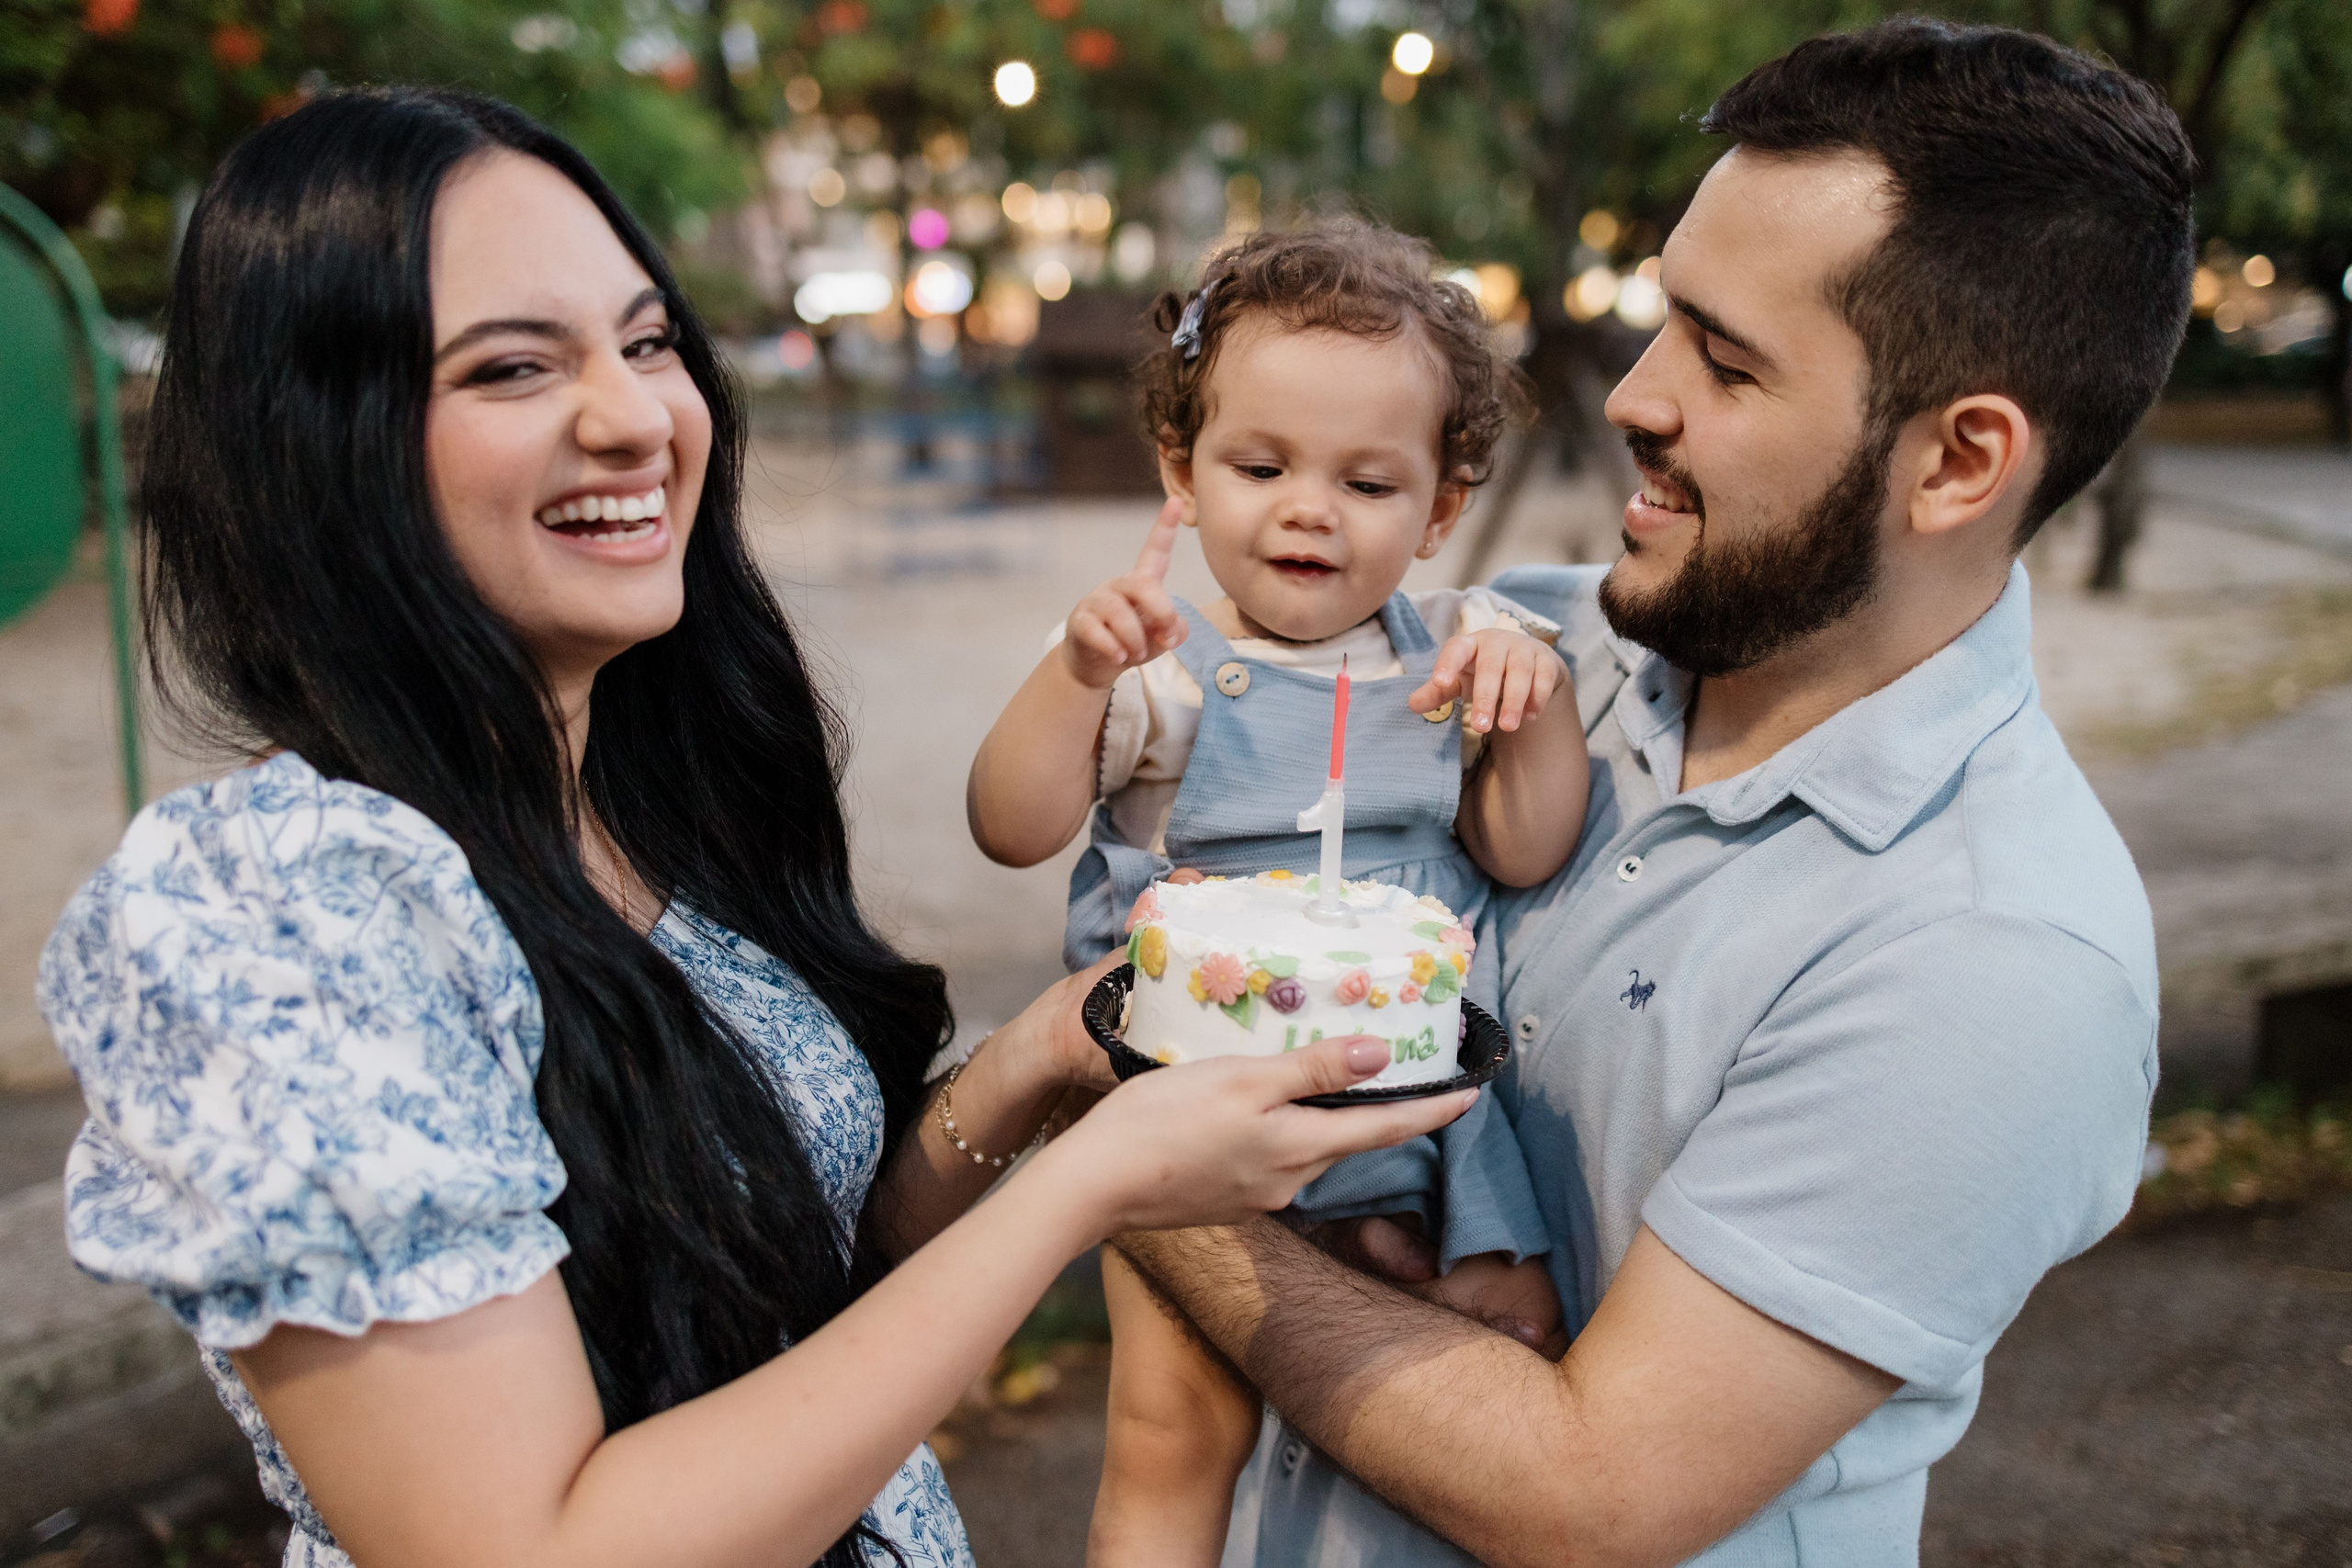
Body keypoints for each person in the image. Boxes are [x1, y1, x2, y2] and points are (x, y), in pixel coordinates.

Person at [39, 89, 1480, 1568]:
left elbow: (803, 1273)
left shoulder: (653, 798)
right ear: (317, 441)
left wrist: (1053, 1053)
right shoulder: (277, 907)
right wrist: (1089, 1183)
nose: (635, 417)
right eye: (516, 366)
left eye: (649, 342)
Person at [1114, 19, 2194, 1567]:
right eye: (1660, 322)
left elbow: (1589, 1496)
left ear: (1960, 463)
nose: (1632, 394)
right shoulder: (1517, 661)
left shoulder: (1998, 952)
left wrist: (1128, 1149)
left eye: (1724, 357)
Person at [965, 225, 1583, 1562]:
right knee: (1173, 1432)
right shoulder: (1165, 685)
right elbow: (1010, 829)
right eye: (1262, 466)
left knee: (1442, 1405)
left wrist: (1535, 713)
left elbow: (1528, 850)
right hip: (1193, 1113)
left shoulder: (1464, 657)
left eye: (1368, 482)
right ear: (1183, 472)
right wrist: (1075, 679)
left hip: (1418, 1112)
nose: (1310, 507)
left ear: (1440, 508)